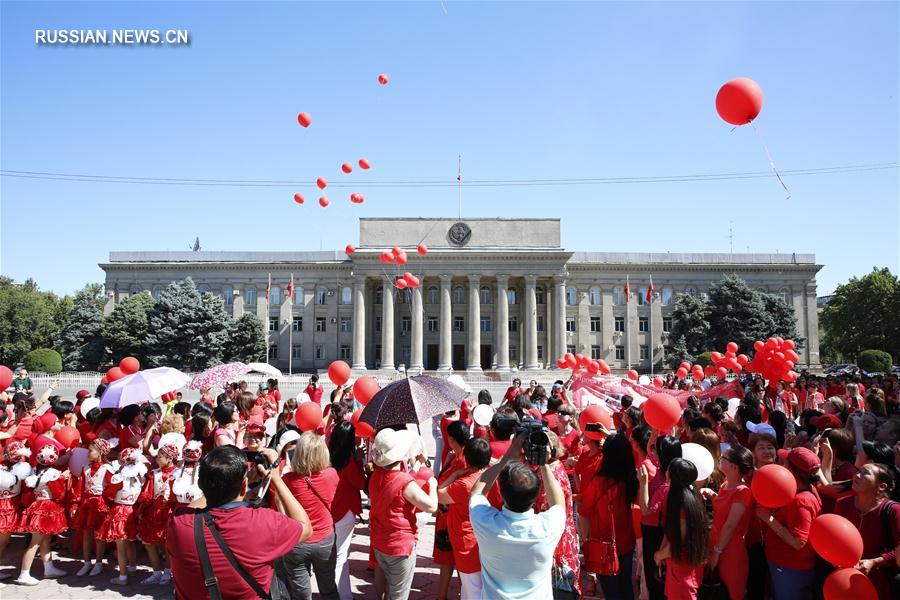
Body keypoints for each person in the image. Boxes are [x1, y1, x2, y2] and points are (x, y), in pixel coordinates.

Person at [166, 445, 313, 600]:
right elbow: (306, 528)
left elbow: (195, 506)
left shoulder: (178, 522)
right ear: (244, 486)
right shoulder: (263, 521)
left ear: (201, 484)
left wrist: (235, 483)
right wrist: (275, 478)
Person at [469, 432, 565, 600]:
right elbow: (558, 504)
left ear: (502, 494)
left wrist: (507, 456)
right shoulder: (547, 527)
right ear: (535, 496)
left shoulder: (486, 523)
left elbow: (478, 490)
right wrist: (543, 462)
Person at [369, 428, 438, 600]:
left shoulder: (375, 476)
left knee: (381, 576)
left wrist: (416, 466)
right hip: (399, 545)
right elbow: (431, 506)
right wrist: (433, 485)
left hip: (379, 539)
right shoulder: (405, 482)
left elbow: (397, 480)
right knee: (399, 591)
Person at [280, 431, 340, 600]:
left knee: (300, 593)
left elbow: (279, 507)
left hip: (298, 541)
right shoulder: (332, 475)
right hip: (325, 539)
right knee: (328, 588)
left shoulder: (288, 480)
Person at [757, 447, 822, 600]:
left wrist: (768, 518)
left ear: (792, 470)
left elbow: (798, 542)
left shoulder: (801, 501)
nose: (781, 464)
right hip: (786, 566)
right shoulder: (808, 488)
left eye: (784, 462)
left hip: (790, 568)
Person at [580, 432, 639, 600]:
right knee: (626, 587)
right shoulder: (633, 478)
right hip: (627, 543)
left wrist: (586, 541)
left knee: (612, 592)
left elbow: (583, 513)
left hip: (603, 546)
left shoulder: (599, 482)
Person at [834, 462, 900, 599]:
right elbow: (834, 538)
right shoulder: (842, 504)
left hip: (880, 584)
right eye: (858, 471)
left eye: (865, 473)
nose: (857, 475)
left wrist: (874, 561)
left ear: (881, 486)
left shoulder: (893, 511)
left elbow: (898, 550)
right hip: (845, 581)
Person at [437, 436, 492, 599]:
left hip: (467, 540)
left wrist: (455, 474)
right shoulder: (492, 476)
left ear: (467, 458)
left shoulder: (464, 483)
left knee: (472, 589)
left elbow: (440, 494)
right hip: (485, 537)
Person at [653, 458, 709, 600]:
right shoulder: (692, 496)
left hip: (681, 572)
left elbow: (678, 541)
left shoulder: (681, 504)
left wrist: (659, 555)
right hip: (687, 566)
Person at [704, 445, 754, 600]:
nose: (720, 459)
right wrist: (713, 496)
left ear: (733, 466)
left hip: (731, 551)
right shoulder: (726, 484)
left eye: (723, 458)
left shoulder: (743, 491)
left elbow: (730, 525)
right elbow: (724, 511)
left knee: (732, 593)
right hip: (717, 544)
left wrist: (717, 552)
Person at [328, 421, 365, 600]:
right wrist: (359, 461)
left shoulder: (328, 455)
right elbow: (360, 483)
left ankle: (345, 595)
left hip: (333, 509)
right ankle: (334, 595)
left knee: (340, 554)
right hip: (345, 510)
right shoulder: (349, 461)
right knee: (341, 556)